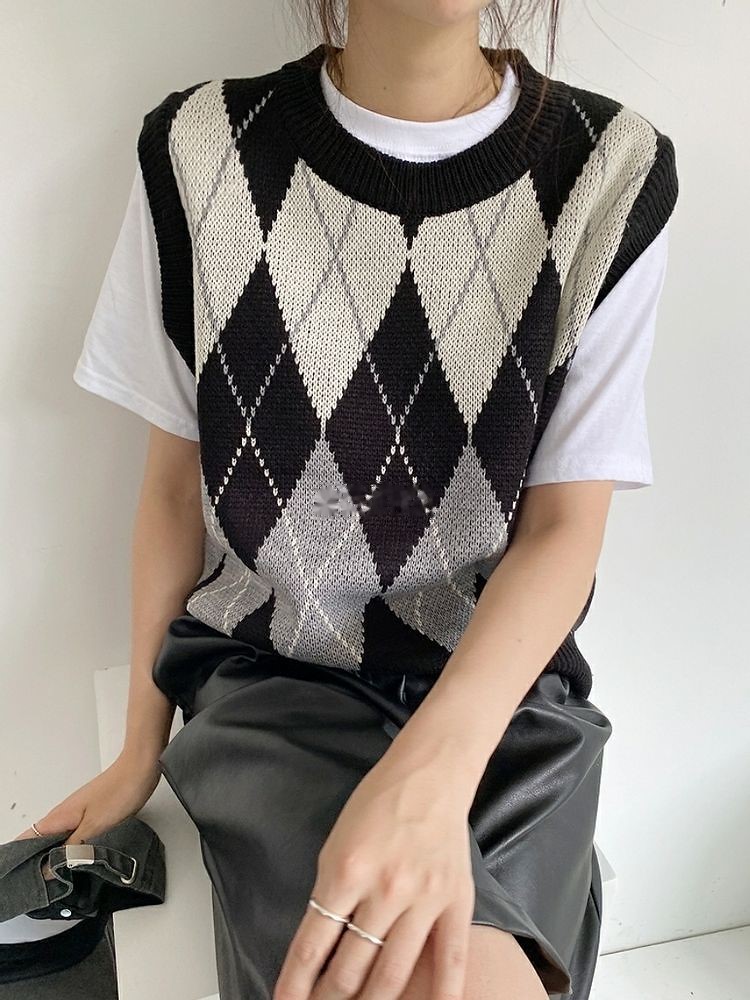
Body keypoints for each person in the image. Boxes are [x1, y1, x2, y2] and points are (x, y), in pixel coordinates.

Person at [15, 2, 678, 998]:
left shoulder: (609, 168)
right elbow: (171, 491)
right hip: (274, 688)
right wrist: (138, 751)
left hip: (503, 707)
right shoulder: (201, 148)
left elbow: (563, 532)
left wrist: (431, 780)